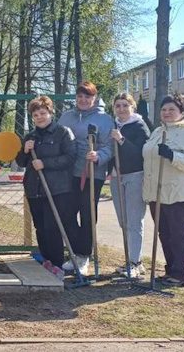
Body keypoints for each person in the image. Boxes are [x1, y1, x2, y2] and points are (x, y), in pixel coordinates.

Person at [142, 93, 184, 287]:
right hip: (156, 191)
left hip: (176, 192)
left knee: (178, 234)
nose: (167, 113)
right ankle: (170, 270)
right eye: (164, 109)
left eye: (172, 110)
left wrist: (172, 155)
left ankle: (180, 274)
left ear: (182, 112)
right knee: (164, 233)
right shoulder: (157, 132)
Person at [15, 96, 76, 277]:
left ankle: (57, 263)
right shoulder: (30, 136)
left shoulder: (63, 132)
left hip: (57, 189)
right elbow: (21, 162)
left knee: (53, 227)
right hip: (35, 189)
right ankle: (46, 261)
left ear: (50, 112)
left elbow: (70, 157)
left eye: (43, 113)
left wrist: (46, 163)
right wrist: (24, 150)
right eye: (35, 114)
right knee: (40, 227)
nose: (40, 117)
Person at [57, 81, 114, 274]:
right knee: (67, 212)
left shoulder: (104, 119)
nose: (83, 100)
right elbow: (58, 140)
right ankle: (74, 252)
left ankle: (84, 256)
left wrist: (99, 156)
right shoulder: (66, 117)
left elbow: (109, 146)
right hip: (68, 173)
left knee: (87, 213)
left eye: (87, 97)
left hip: (92, 173)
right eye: (80, 96)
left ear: (94, 98)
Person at [109, 92, 151, 278]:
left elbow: (141, 153)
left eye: (125, 105)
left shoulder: (139, 126)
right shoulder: (113, 126)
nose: (121, 109)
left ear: (132, 107)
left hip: (135, 176)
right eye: (118, 106)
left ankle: (135, 262)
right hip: (117, 177)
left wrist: (121, 140)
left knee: (134, 221)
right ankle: (131, 259)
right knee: (123, 221)